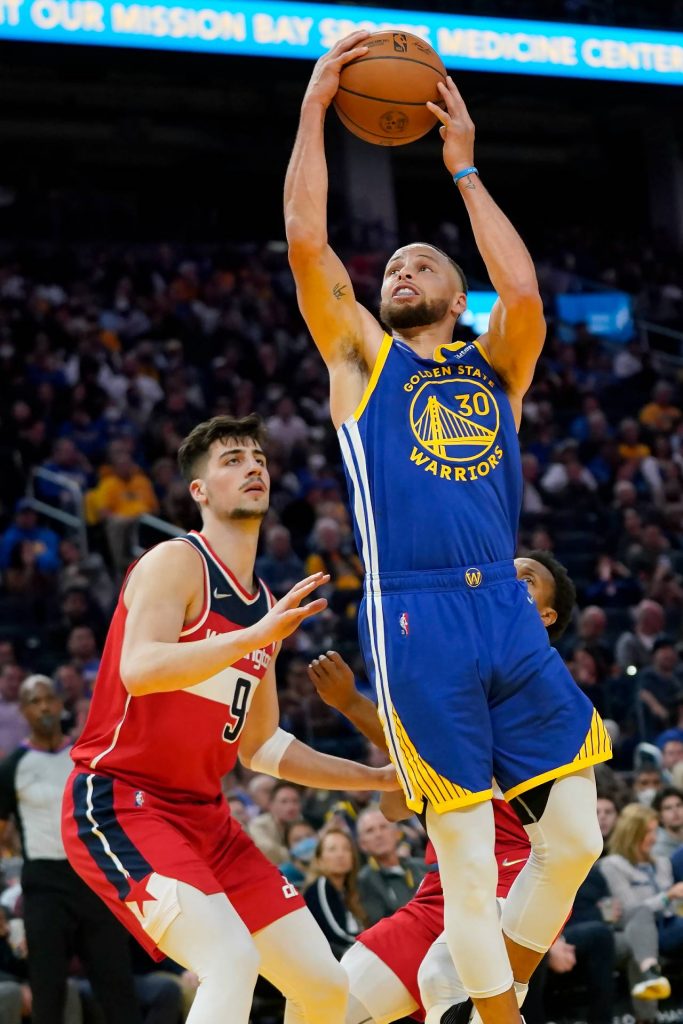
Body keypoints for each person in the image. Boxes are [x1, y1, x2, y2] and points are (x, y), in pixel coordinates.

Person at [285, 35, 609, 1024]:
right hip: (415, 614)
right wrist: (312, 108)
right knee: (465, 861)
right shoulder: (359, 359)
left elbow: (522, 294)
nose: (397, 270)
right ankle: (493, 1014)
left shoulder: (490, 364)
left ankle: (465, 984)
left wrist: (461, 163)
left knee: (577, 840)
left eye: (418, 263)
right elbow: (306, 240)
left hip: (504, 605)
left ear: (449, 296)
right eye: (389, 265)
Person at [60, 413, 398, 1024]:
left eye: (259, 459)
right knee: (230, 961)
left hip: (207, 820)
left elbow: (262, 746)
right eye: (232, 460)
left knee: (324, 984)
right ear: (200, 491)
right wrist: (257, 638)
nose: (253, 468)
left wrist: (374, 778)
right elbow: (141, 668)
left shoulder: (264, 605)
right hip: (121, 802)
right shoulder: (176, 560)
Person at [305, 551, 572, 1024]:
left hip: (516, 876)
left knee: (444, 978)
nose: (508, 584)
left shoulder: (542, 684)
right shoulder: (455, 674)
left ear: (546, 616)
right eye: (503, 575)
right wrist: (352, 703)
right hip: (440, 890)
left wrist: (356, 706)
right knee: (318, 1005)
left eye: (526, 580)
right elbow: (396, 805)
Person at [0, 674, 142, 1024]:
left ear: (61, 702)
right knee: (48, 993)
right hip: (44, 885)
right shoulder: (12, 767)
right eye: (35, 701)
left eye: (49, 698)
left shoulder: (87, 757)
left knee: (117, 987)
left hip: (94, 879)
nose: (44, 707)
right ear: (23, 711)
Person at [600, 803, 683, 1003]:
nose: (654, 838)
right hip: (641, 928)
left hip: (669, 923)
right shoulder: (613, 865)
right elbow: (633, 911)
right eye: (648, 832)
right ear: (632, 833)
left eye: (655, 831)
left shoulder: (662, 862)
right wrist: (667, 896)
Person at [304, 827, 368, 959]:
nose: (340, 854)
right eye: (332, 849)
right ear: (319, 859)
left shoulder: (348, 892)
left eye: (346, 849)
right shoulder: (320, 886)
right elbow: (336, 933)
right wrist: (370, 946)